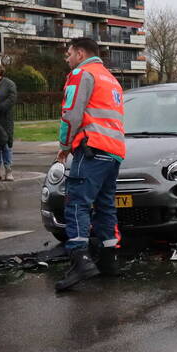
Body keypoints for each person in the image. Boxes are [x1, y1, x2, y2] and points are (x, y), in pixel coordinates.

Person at [54, 38, 125, 292]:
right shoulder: (110, 78)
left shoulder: (80, 73)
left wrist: (64, 146)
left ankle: (80, 260)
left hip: (91, 148)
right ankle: (109, 260)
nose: (68, 58)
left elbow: (71, 113)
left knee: (76, 203)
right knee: (105, 206)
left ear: (81, 53)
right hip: (113, 152)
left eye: (69, 53)